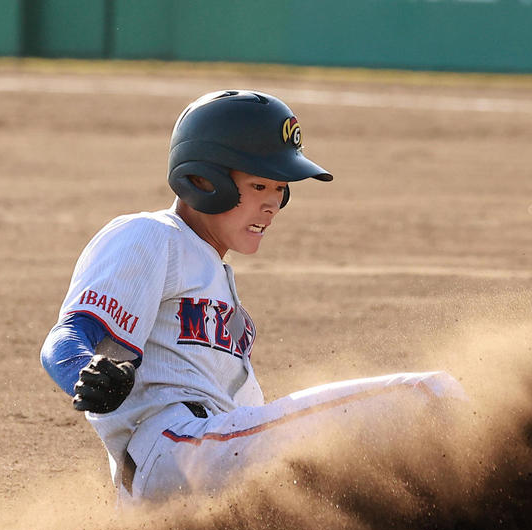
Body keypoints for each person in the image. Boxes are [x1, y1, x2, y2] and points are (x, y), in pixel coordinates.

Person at [41, 90, 463, 504]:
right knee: (430, 396)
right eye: (260, 185)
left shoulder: (213, 275)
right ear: (203, 180)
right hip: (179, 450)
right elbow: (67, 336)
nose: (273, 204)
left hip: (201, 466)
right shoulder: (153, 235)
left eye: (280, 189)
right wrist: (85, 371)